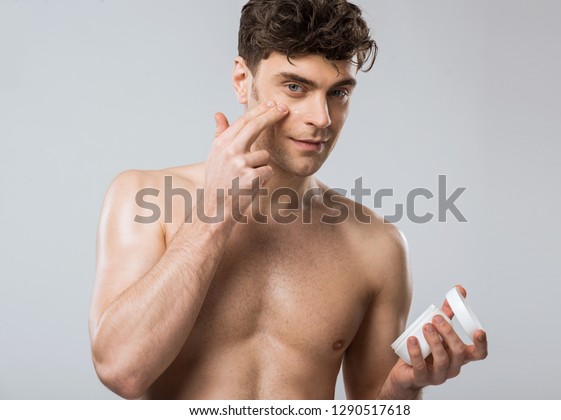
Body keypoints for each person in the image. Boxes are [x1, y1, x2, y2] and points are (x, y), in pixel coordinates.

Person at [89, 0, 487, 399]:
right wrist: (214, 214)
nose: (322, 118)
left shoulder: (377, 246)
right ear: (243, 80)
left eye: (339, 92)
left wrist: (404, 388)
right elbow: (121, 371)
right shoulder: (144, 198)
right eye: (295, 87)